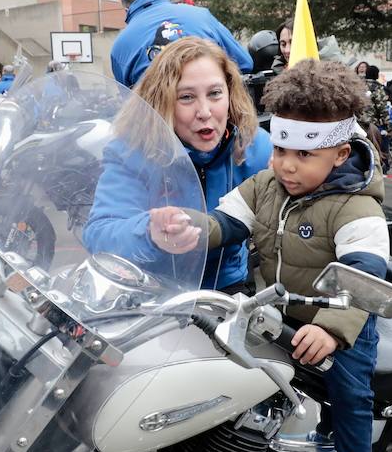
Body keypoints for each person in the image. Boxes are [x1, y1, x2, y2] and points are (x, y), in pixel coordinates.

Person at [149, 58, 387, 452]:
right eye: (279, 148)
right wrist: (189, 229)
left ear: (341, 154)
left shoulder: (358, 208)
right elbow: (225, 223)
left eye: (303, 154)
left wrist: (334, 328)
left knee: (351, 396)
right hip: (272, 310)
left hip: (338, 321)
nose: (286, 164)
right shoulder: (266, 186)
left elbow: (365, 277)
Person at [84, 36, 272, 291]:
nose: (204, 111)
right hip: (152, 291)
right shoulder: (131, 151)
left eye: (215, 93)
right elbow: (99, 235)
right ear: (162, 101)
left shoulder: (257, 147)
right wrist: (149, 231)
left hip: (228, 288)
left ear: (230, 93)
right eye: (186, 97)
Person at [111, 0, 252, 88]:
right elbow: (245, 64)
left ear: (126, 9)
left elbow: (129, 101)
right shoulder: (201, 15)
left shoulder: (120, 44)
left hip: (160, 121)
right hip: (215, 115)